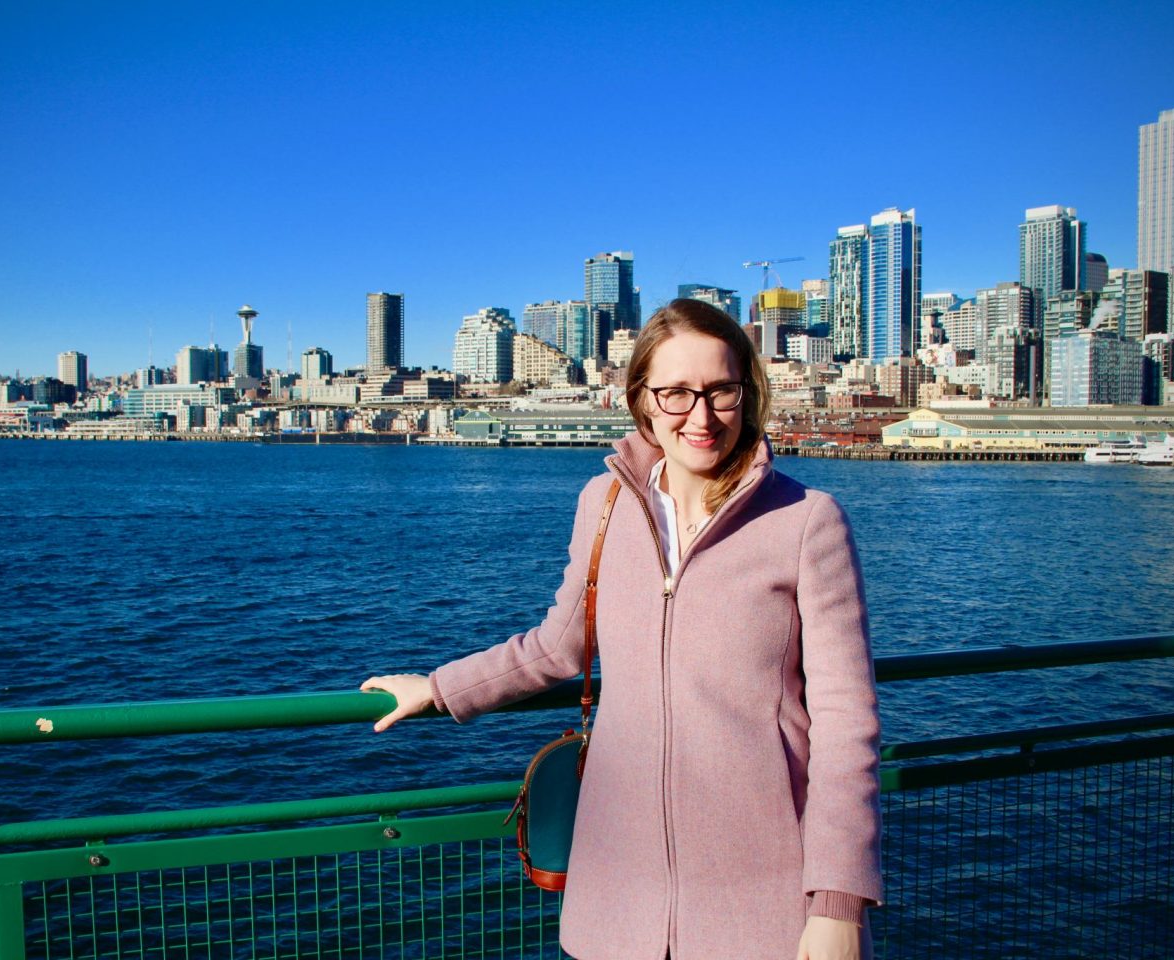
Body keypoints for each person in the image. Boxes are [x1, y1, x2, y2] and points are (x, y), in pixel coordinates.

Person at [362, 298, 882, 960]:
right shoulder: (603, 506)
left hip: (764, 900)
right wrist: (437, 688)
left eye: (721, 390)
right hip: (619, 903)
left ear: (748, 396)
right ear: (640, 399)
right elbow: (558, 648)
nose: (701, 415)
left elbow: (846, 724)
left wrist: (837, 903)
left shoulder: (809, 521)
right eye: (676, 394)